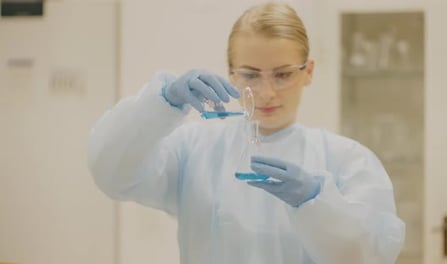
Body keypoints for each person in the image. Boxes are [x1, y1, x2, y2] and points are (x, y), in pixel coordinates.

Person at [87, 2, 405, 263]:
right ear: (231, 74)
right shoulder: (194, 149)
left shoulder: (347, 160)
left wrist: (319, 204)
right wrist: (161, 103)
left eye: (282, 75)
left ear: (308, 72)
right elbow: (111, 172)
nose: (266, 93)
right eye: (251, 75)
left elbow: (373, 256)